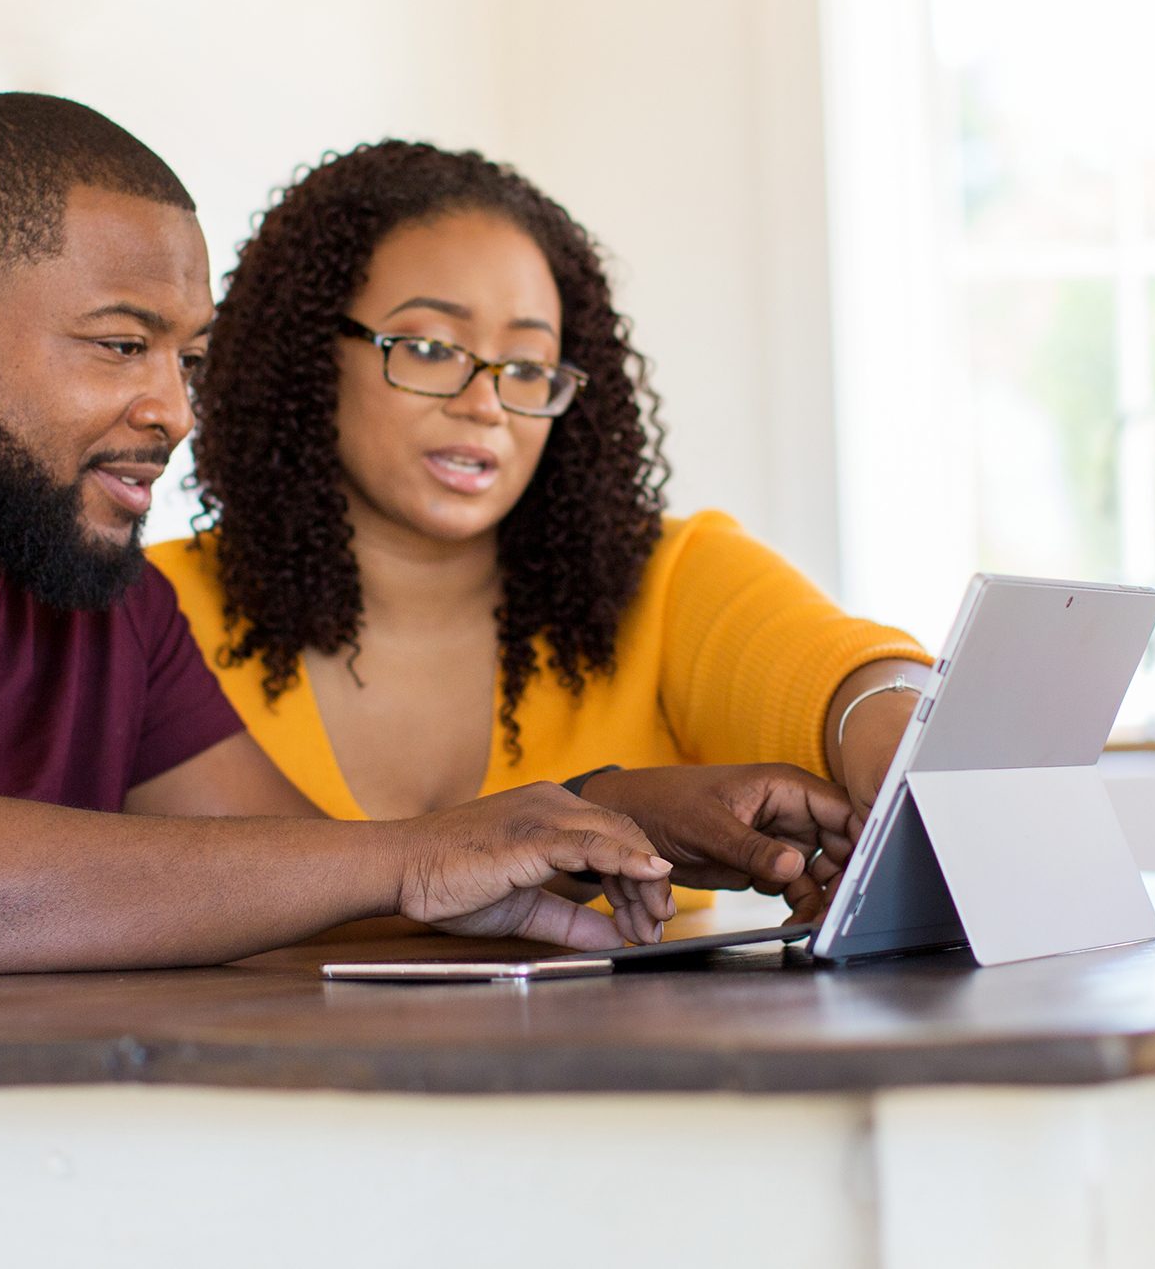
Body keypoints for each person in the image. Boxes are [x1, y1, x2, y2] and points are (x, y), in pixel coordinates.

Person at [0, 96, 852, 1268]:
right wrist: (414, 854)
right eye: (120, 344)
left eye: (185, 356)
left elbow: (295, 895)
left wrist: (602, 824)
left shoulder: (95, 587)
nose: (175, 410)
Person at [150, 140, 932, 912]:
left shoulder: (659, 579)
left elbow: (844, 674)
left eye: (527, 367)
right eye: (427, 348)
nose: (484, 403)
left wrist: (891, 724)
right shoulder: (148, 610)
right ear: (305, 352)